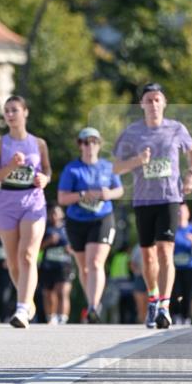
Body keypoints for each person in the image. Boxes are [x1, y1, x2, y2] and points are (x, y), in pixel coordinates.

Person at [112, 83, 192, 330]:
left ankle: (164, 305)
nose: (153, 104)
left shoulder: (176, 129)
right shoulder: (132, 133)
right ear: (141, 104)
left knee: (165, 250)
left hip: (170, 198)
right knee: (148, 255)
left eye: (157, 99)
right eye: (148, 100)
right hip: (143, 201)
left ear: (164, 103)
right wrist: (137, 161)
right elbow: (116, 167)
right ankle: (153, 296)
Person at [0, 95, 51, 328]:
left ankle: (21, 309)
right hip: (6, 204)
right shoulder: (0, 145)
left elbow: (47, 172)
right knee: (13, 262)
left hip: (33, 201)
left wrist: (45, 179)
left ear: (25, 112)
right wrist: (10, 166)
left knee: (28, 255)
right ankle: (28, 300)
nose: (10, 115)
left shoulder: (39, 144)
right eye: (7, 111)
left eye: (15, 110)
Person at [57, 127, 123, 323]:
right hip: (77, 221)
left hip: (102, 218)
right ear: (80, 145)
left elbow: (118, 190)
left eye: (94, 141)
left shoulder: (107, 167)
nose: (90, 146)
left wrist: (107, 194)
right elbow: (62, 198)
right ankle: (92, 302)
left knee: (95, 263)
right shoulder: (72, 169)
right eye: (85, 142)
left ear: (99, 144)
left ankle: (93, 307)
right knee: (84, 267)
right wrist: (82, 195)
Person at [39, 204, 74, 325]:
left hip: (64, 265)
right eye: (52, 213)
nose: (54, 216)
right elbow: (37, 248)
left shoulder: (68, 228)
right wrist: (48, 241)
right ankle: (51, 317)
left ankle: (63, 318)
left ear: (62, 215)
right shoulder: (44, 228)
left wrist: (68, 249)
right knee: (48, 293)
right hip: (48, 266)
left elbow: (75, 247)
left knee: (63, 292)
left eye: (56, 213)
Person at [170, 203, 192, 325]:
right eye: (179, 211)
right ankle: (175, 315)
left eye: (184, 211)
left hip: (189, 267)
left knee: (187, 293)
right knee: (175, 292)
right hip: (175, 267)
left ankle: (186, 317)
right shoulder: (173, 228)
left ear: (188, 213)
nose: (181, 214)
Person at [129, 244, 148, 324]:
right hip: (140, 277)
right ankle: (141, 321)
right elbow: (132, 263)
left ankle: (149, 319)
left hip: (153, 277)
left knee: (150, 301)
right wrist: (137, 272)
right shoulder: (137, 248)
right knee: (140, 303)